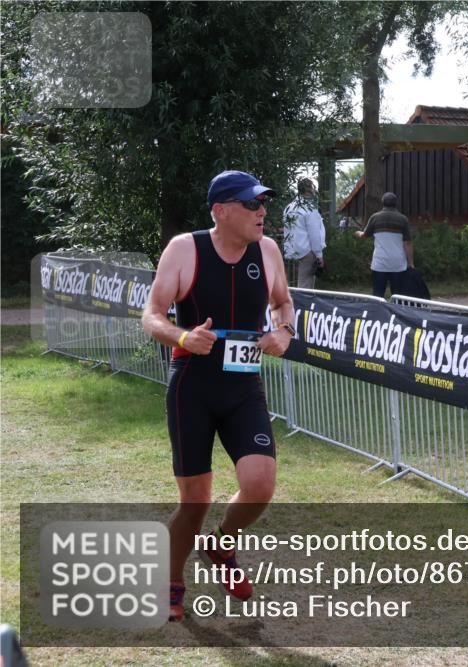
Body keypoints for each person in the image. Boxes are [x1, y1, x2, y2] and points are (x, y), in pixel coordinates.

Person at [141, 170, 295, 621]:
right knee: (195, 502)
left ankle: (220, 545)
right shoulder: (185, 249)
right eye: (251, 204)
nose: (262, 212)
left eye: (263, 203)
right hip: (193, 384)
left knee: (260, 484)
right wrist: (182, 337)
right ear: (221, 210)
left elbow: (283, 302)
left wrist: (284, 330)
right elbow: (151, 315)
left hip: (243, 386)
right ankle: (172, 581)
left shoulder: (267, 251)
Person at [355, 192, 413, 298]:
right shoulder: (403, 219)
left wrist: (358, 233)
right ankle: (396, 314)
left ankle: (377, 313)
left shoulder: (375, 218)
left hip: (380, 263)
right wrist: (411, 263)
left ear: (382, 203)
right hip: (398, 264)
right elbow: (407, 243)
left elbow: (365, 235)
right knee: (398, 296)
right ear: (396, 203)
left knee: (378, 295)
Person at [282, 177, 326, 289]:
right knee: (305, 287)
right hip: (307, 251)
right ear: (309, 190)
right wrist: (319, 255)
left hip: (290, 251)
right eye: (313, 188)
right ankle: (302, 306)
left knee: (290, 285)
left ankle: (292, 304)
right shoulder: (310, 208)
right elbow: (314, 234)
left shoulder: (289, 207)